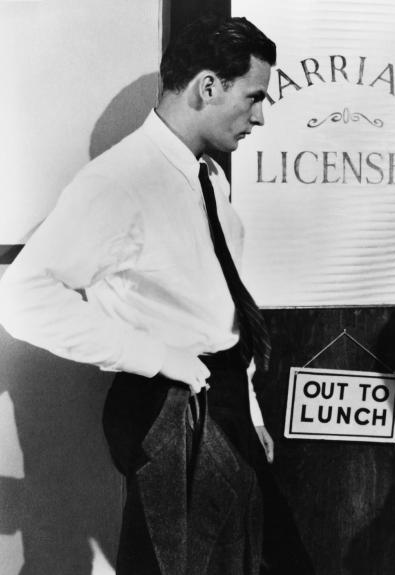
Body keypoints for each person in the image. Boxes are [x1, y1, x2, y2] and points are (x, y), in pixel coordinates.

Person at [0, 15, 313, 575]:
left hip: (222, 400)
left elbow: (223, 303)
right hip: (169, 410)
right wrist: (160, 359)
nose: (261, 117)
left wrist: (251, 408)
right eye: (255, 97)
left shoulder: (207, 175)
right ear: (207, 87)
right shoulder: (118, 183)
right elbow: (21, 297)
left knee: (253, 557)